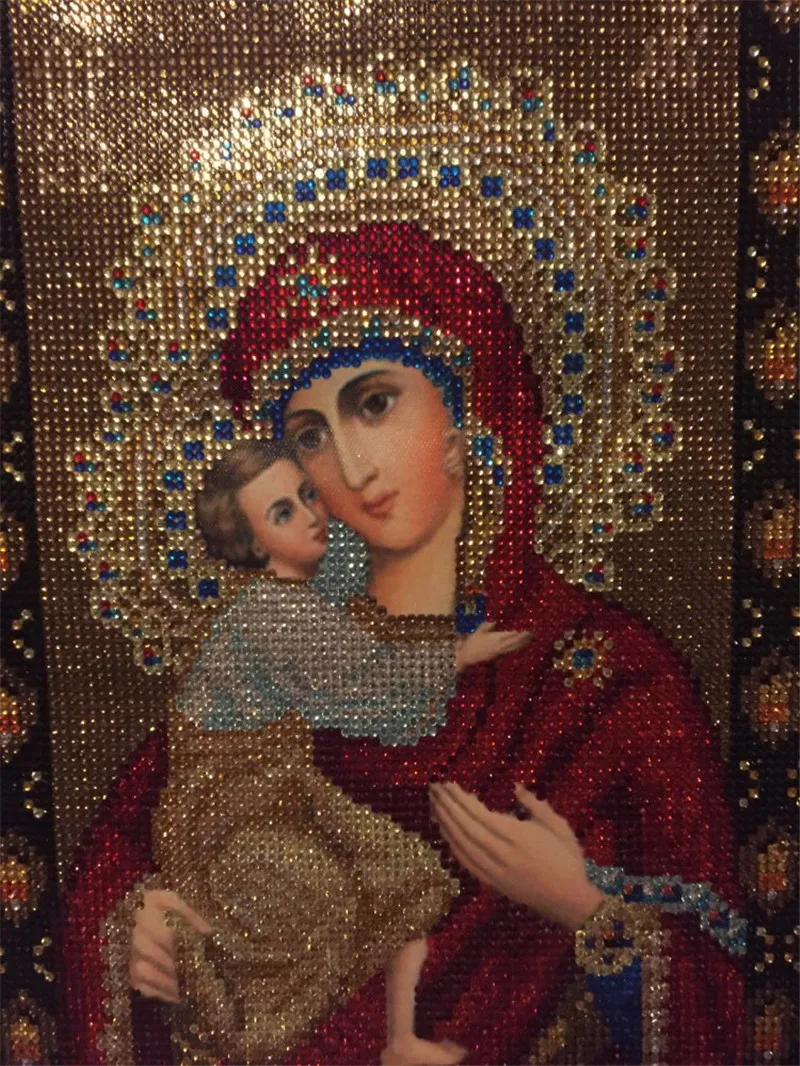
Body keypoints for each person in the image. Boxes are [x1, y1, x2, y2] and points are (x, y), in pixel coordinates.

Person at [62, 222, 746, 1065]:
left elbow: (726, 988)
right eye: (309, 436)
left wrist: (585, 907)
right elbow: (124, 864)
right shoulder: (276, 655)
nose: (350, 468)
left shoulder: (607, 682)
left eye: (375, 404)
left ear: (465, 412)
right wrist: (136, 928)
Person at [130, 438, 526, 1064]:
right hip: (224, 812)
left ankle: (401, 1041)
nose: (311, 514)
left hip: (281, 787)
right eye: (283, 512)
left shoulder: (308, 585)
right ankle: (246, 1030)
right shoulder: (271, 614)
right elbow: (365, 685)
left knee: (406, 875)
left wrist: (443, 489)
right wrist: (457, 655)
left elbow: (352, 554)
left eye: (307, 494)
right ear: (253, 543)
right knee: (323, 904)